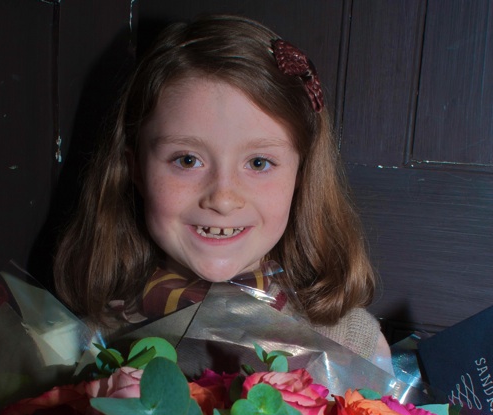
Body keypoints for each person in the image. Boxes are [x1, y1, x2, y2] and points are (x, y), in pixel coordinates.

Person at [53, 14, 393, 372]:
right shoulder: (85, 346)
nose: (223, 198)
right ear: (135, 168)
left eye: (259, 163)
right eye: (187, 160)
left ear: (302, 174)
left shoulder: (352, 345)